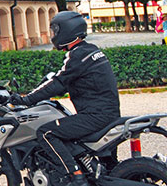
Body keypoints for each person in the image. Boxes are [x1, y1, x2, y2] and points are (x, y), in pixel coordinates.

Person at [10, 10, 120, 186]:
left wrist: (26, 100)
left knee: (45, 133)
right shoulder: (90, 51)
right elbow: (68, 81)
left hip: (95, 116)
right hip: (108, 113)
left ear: (67, 31)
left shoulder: (76, 55)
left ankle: (75, 176)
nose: (53, 35)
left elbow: (58, 82)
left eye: (55, 30)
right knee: (110, 167)